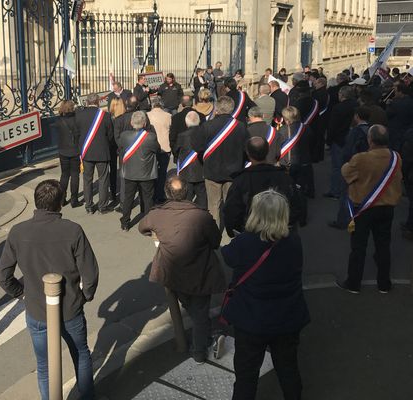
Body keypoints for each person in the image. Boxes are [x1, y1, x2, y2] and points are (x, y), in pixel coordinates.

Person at [0, 180, 99, 400]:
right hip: (70, 306)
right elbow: (89, 271)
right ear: (60, 203)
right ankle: (88, 396)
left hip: (37, 309)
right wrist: (85, 295)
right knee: (80, 353)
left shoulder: (17, 231)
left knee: (44, 365)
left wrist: (21, 293)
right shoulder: (73, 230)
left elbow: (2, 275)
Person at [221, 189, 310, 400]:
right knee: (288, 369)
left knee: (246, 375)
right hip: (288, 317)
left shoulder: (245, 243)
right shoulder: (294, 242)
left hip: (251, 319)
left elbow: (227, 256)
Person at [138, 176, 226, 363]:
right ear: (187, 192)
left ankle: (203, 338)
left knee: (191, 307)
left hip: (172, 273)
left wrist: (156, 233)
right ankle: (200, 350)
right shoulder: (201, 216)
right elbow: (216, 241)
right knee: (200, 311)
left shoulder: (157, 215)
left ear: (167, 193)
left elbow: (142, 227)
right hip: (201, 271)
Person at [337, 125, 402, 294]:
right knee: (383, 245)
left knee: (358, 247)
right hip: (387, 207)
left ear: (370, 140)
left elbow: (346, 172)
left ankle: (353, 282)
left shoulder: (361, 158)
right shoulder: (396, 157)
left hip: (363, 208)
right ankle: (384, 283)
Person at [224, 137, 301, 236]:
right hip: (280, 233)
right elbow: (295, 206)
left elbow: (232, 212)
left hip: (252, 234)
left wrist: (234, 232)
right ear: (267, 151)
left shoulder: (240, 181)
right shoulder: (284, 177)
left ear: (247, 153)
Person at [191, 96, 249, 227]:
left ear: (216, 109)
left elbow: (196, 146)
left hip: (212, 171)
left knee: (213, 205)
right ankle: (231, 229)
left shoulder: (207, 126)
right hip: (234, 172)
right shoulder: (241, 127)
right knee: (231, 203)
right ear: (232, 109)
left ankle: (215, 234)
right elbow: (247, 149)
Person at [328, 107, 371, 230]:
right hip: (367, 166)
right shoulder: (371, 129)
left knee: (346, 195)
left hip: (353, 165)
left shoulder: (355, 132)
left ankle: (343, 221)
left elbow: (347, 152)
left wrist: (345, 166)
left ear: (357, 116)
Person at [117, 111, 160, 231]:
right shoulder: (151, 137)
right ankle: (147, 225)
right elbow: (157, 149)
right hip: (146, 173)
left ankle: (125, 222)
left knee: (128, 198)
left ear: (131, 122)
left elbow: (120, 147)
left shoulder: (124, 135)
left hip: (130, 173)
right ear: (145, 123)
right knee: (148, 199)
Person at [75, 93, 115, 214]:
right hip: (102, 152)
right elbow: (110, 135)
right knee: (103, 179)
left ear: (87, 102)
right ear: (98, 102)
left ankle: (89, 206)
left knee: (87, 179)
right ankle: (102, 207)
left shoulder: (79, 115)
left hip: (86, 152)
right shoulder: (106, 115)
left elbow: (76, 133)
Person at [325, 86, 358, 199]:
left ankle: (336, 191)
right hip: (352, 138)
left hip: (339, 139)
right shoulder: (356, 105)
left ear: (342, 95)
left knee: (337, 167)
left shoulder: (338, 108)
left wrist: (328, 140)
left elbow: (332, 126)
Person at [279, 106, 315, 198]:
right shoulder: (306, 128)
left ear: (286, 119)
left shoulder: (283, 130)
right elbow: (311, 143)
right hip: (305, 161)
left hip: (288, 163)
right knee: (303, 186)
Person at [174, 111, 207, 208]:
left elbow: (176, 150)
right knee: (202, 197)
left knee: (187, 197)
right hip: (201, 170)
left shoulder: (182, 136)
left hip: (186, 170)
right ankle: (202, 217)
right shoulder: (205, 133)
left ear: (186, 122)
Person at [55, 100, 82, 208]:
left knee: (64, 175)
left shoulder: (58, 120)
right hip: (75, 150)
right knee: (75, 175)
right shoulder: (77, 119)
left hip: (63, 150)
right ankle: (74, 200)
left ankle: (62, 199)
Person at [147, 98, 172, 204]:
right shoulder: (168, 116)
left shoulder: (147, 115)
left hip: (151, 147)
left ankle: (150, 194)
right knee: (162, 172)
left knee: (151, 172)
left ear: (152, 105)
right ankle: (160, 194)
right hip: (164, 146)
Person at [108, 98, 126, 204]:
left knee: (113, 170)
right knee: (122, 171)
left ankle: (113, 193)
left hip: (112, 146)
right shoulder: (124, 118)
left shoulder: (110, 118)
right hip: (122, 146)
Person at [386, 83, 413, 152]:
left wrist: (388, 105)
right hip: (408, 131)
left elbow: (388, 114)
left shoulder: (395, 104)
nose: (394, 93)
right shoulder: (411, 101)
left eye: (395, 91)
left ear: (400, 92)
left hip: (395, 132)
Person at [311, 77, 330, 163]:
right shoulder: (326, 92)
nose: (315, 84)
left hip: (318, 117)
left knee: (317, 137)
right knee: (321, 137)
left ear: (321, 84)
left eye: (317, 83)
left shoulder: (317, 94)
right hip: (324, 117)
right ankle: (320, 155)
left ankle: (315, 156)